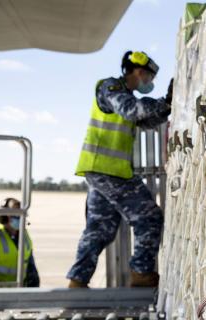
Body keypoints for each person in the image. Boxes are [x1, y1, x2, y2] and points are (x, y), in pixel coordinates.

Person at [67, 51, 172, 288]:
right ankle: (142, 273)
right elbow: (133, 111)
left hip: (103, 171)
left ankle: (77, 281)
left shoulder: (127, 97)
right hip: (108, 171)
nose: (149, 82)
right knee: (149, 217)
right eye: (149, 77)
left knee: (100, 229)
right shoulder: (111, 88)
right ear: (139, 71)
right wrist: (161, 102)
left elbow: (148, 121)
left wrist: (167, 104)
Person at [0, 198, 40, 287]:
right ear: (4, 216)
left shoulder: (25, 238)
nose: (19, 217)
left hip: (19, 293)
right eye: (15, 214)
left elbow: (31, 270)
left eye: (20, 214)